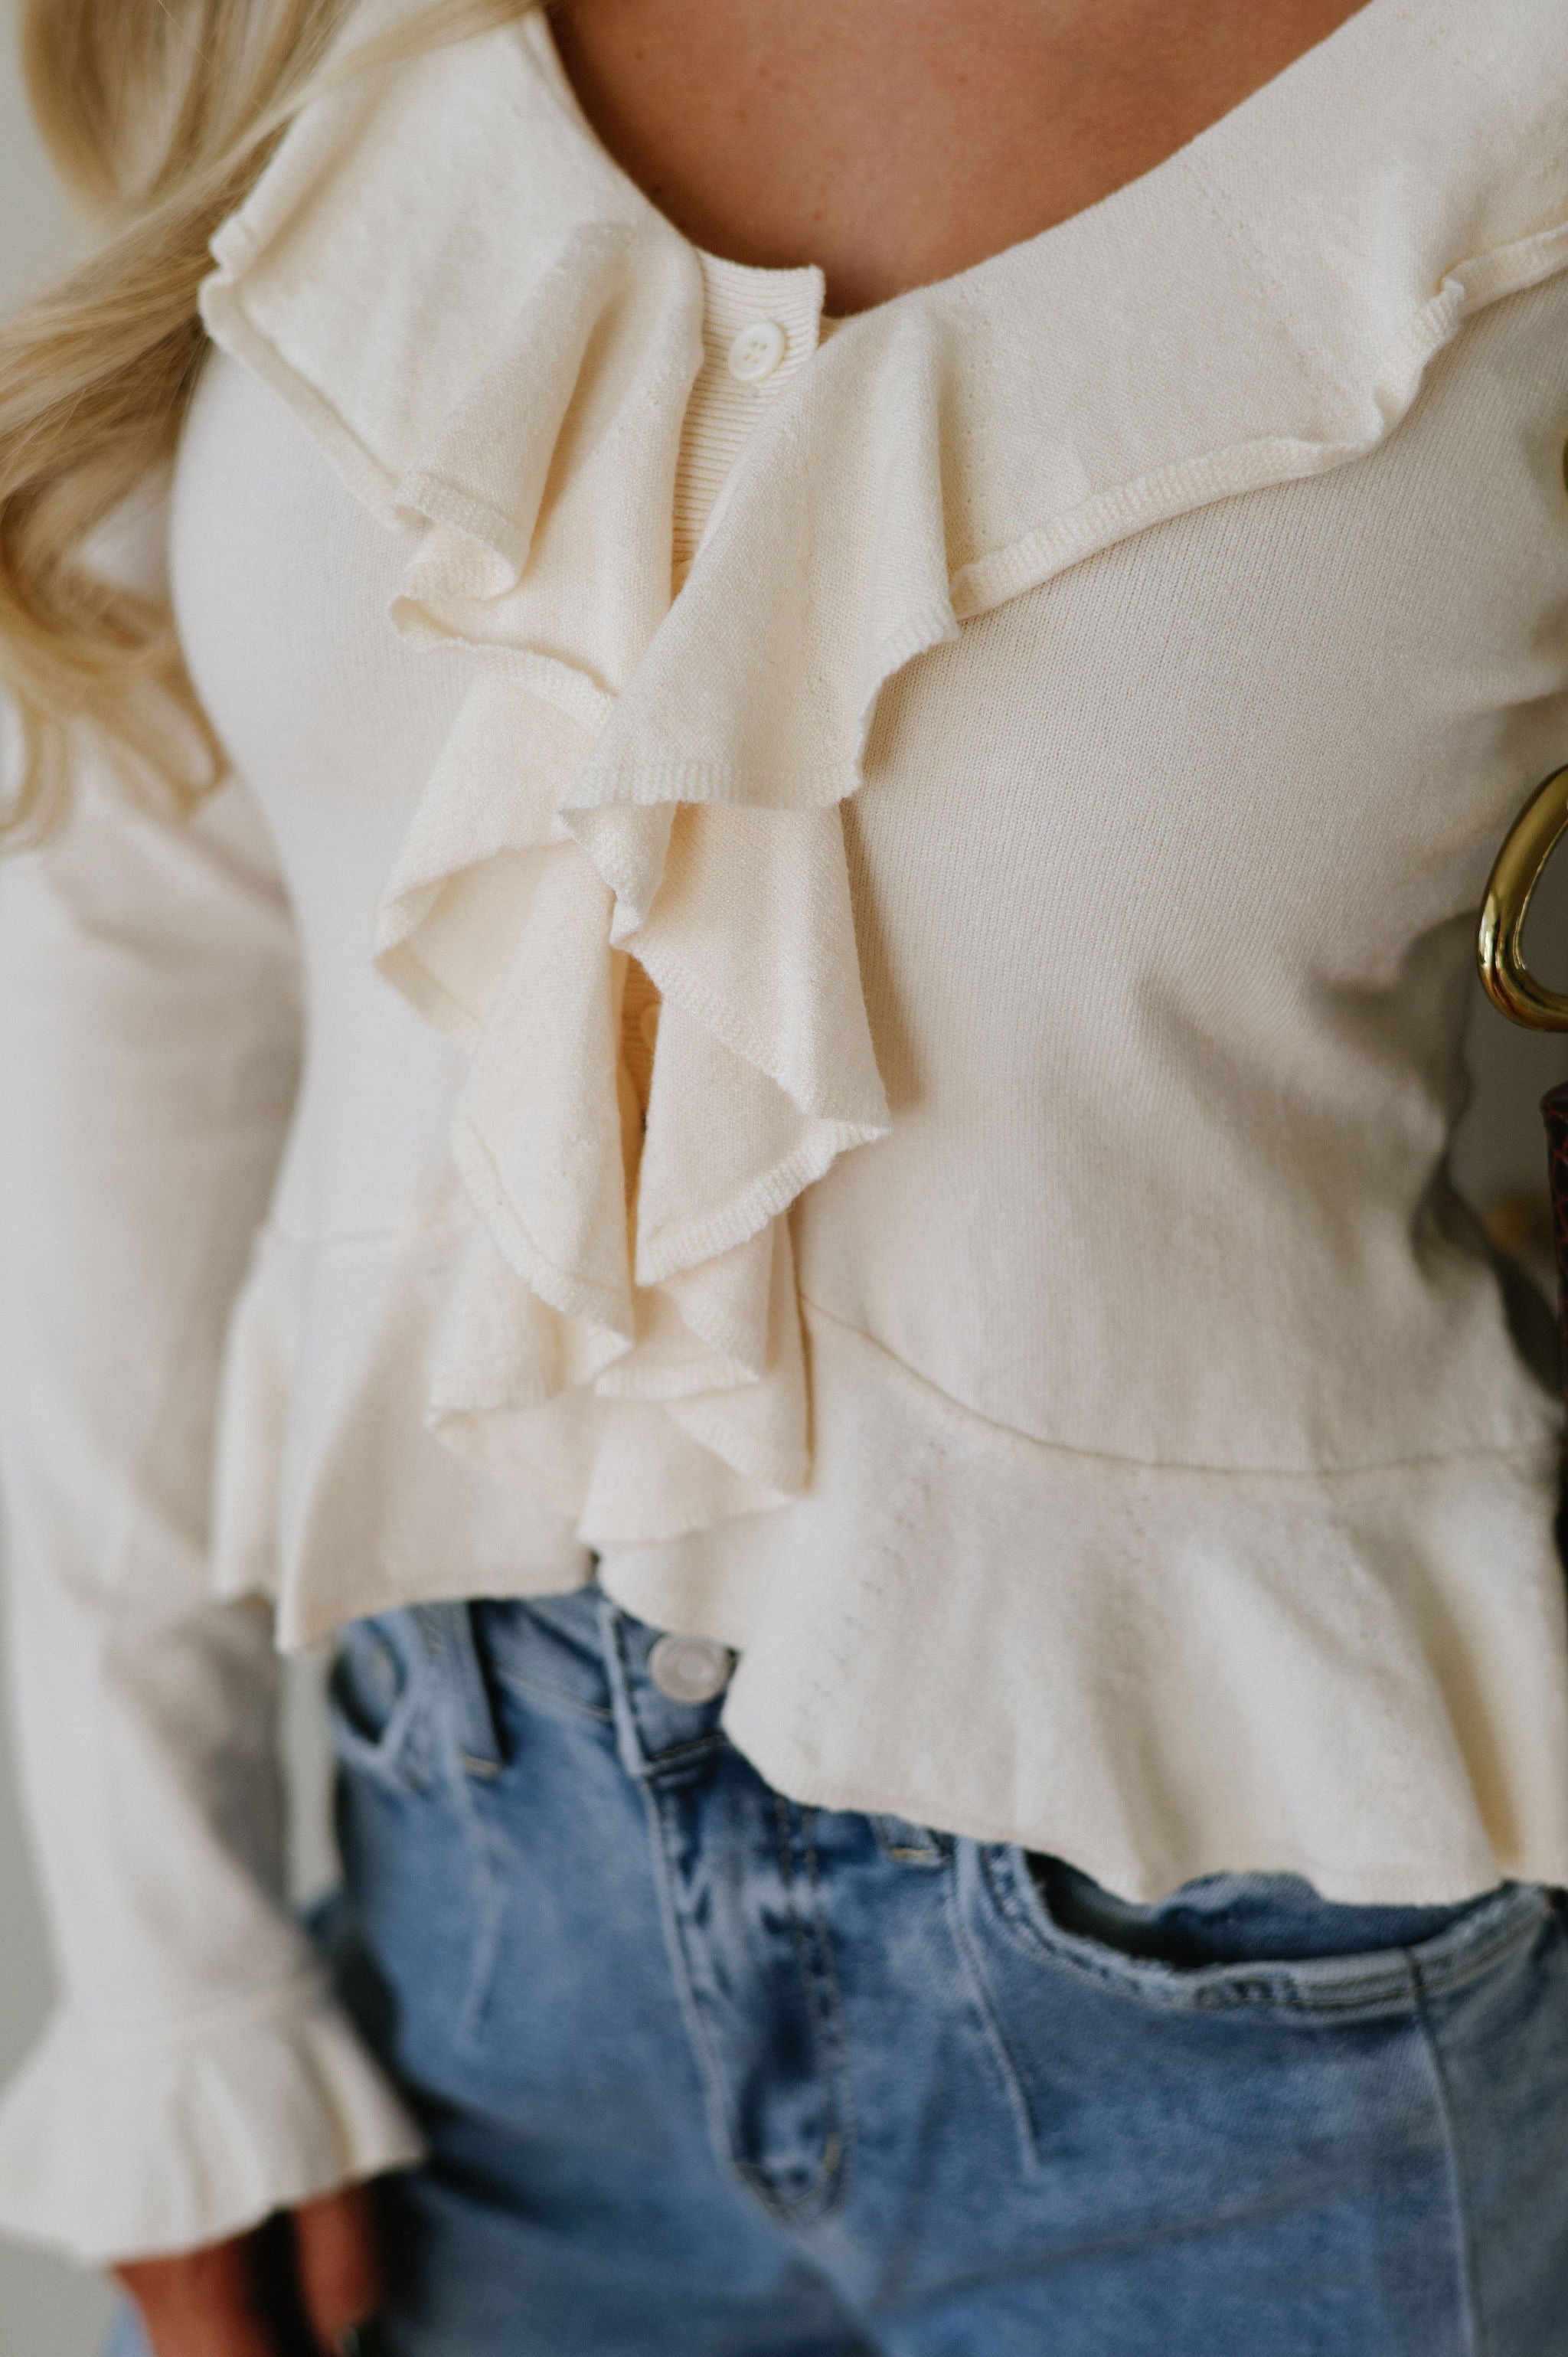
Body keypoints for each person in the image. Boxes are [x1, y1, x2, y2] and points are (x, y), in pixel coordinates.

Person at [2, 0, 1568, 2348]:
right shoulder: (317, 30)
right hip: (469, 1933)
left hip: (1274, 2006)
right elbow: (142, 994)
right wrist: (171, 1978)